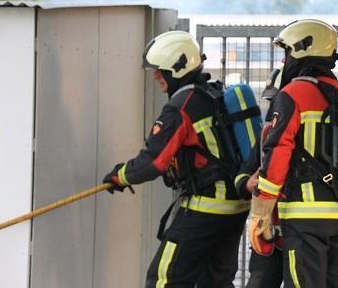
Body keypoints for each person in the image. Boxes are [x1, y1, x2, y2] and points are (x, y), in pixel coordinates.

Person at [102, 30, 250, 288]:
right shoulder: (214, 94)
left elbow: (153, 162)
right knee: (215, 281)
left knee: (165, 279)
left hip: (206, 208)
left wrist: (120, 176)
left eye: (160, 69)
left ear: (178, 67)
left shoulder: (181, 106)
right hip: (235, 208)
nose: (156, 75)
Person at [248, 19, 338, 288]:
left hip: (305, 220)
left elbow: (278, 155)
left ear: (300, 51)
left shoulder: (293, 94)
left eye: (286, 52)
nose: (284, 60)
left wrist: (261, 213)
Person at [234, 67, 284, 288]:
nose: (274, 108)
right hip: (269, 233)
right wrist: (247, 183)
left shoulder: (321, 136)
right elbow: (243, 174)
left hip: (305, 237)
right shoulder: (267, 136)